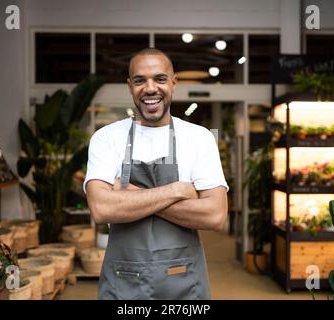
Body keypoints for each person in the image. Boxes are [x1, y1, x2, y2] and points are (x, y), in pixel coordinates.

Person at [84, 48, 228, 300]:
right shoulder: (106, 138)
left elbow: (215, 215)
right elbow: (101, 209)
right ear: (129, 86)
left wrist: (130, 195)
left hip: (184, 284)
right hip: (123, 282)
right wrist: (177, 191)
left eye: (160, 79)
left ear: (174, 83)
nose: (150, 88)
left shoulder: (199, 138)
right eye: (140, 80)